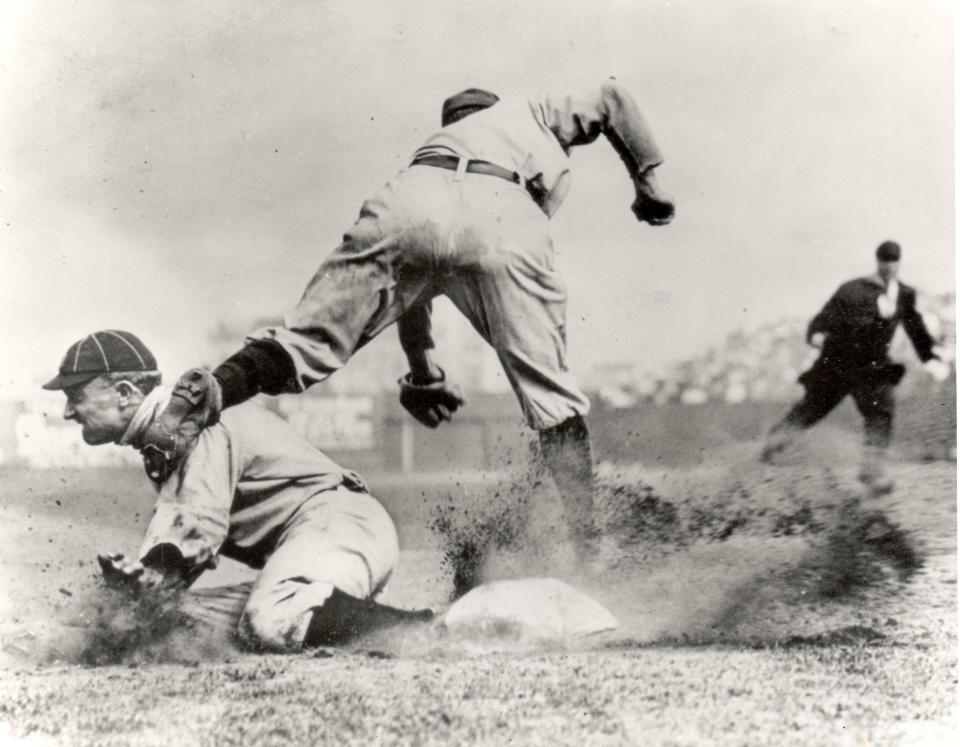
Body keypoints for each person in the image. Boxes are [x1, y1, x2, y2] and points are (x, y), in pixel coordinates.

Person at [140, 78, 676, 571]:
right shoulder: (526, 113)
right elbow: (611, 97)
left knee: (305, 342)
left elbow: (408, 300)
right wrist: (647, 182)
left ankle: (214, 385)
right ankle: (589, 553)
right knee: (553, 399)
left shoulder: (432, 154)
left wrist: (424, 374)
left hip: (407, 206)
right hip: (503, 206)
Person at [43, 330, 433, 652]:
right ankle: (333, 609)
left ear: (126, 392)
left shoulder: (194, 422)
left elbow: (198, 528)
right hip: (317, 544)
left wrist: (148, 579)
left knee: (269, 619)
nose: (68, 411)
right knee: (177, 622)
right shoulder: (168, 433)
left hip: (337, 524)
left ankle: (429, 631)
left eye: (76, 395)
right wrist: (142, 589)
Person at [761, 241, 950, 494]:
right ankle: (767, 451)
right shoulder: (851, 290)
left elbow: (915, 327)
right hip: (837, 365)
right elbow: (819, 322)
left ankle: (871, 471)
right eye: (885, 259)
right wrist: (818, 336)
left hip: (872, 369)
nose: (889, 265)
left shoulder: (904, 293)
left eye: (894, 260)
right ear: (878, 261)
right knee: (810, 411)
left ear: (899, 262)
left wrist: (930, 358)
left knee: (881, 412)